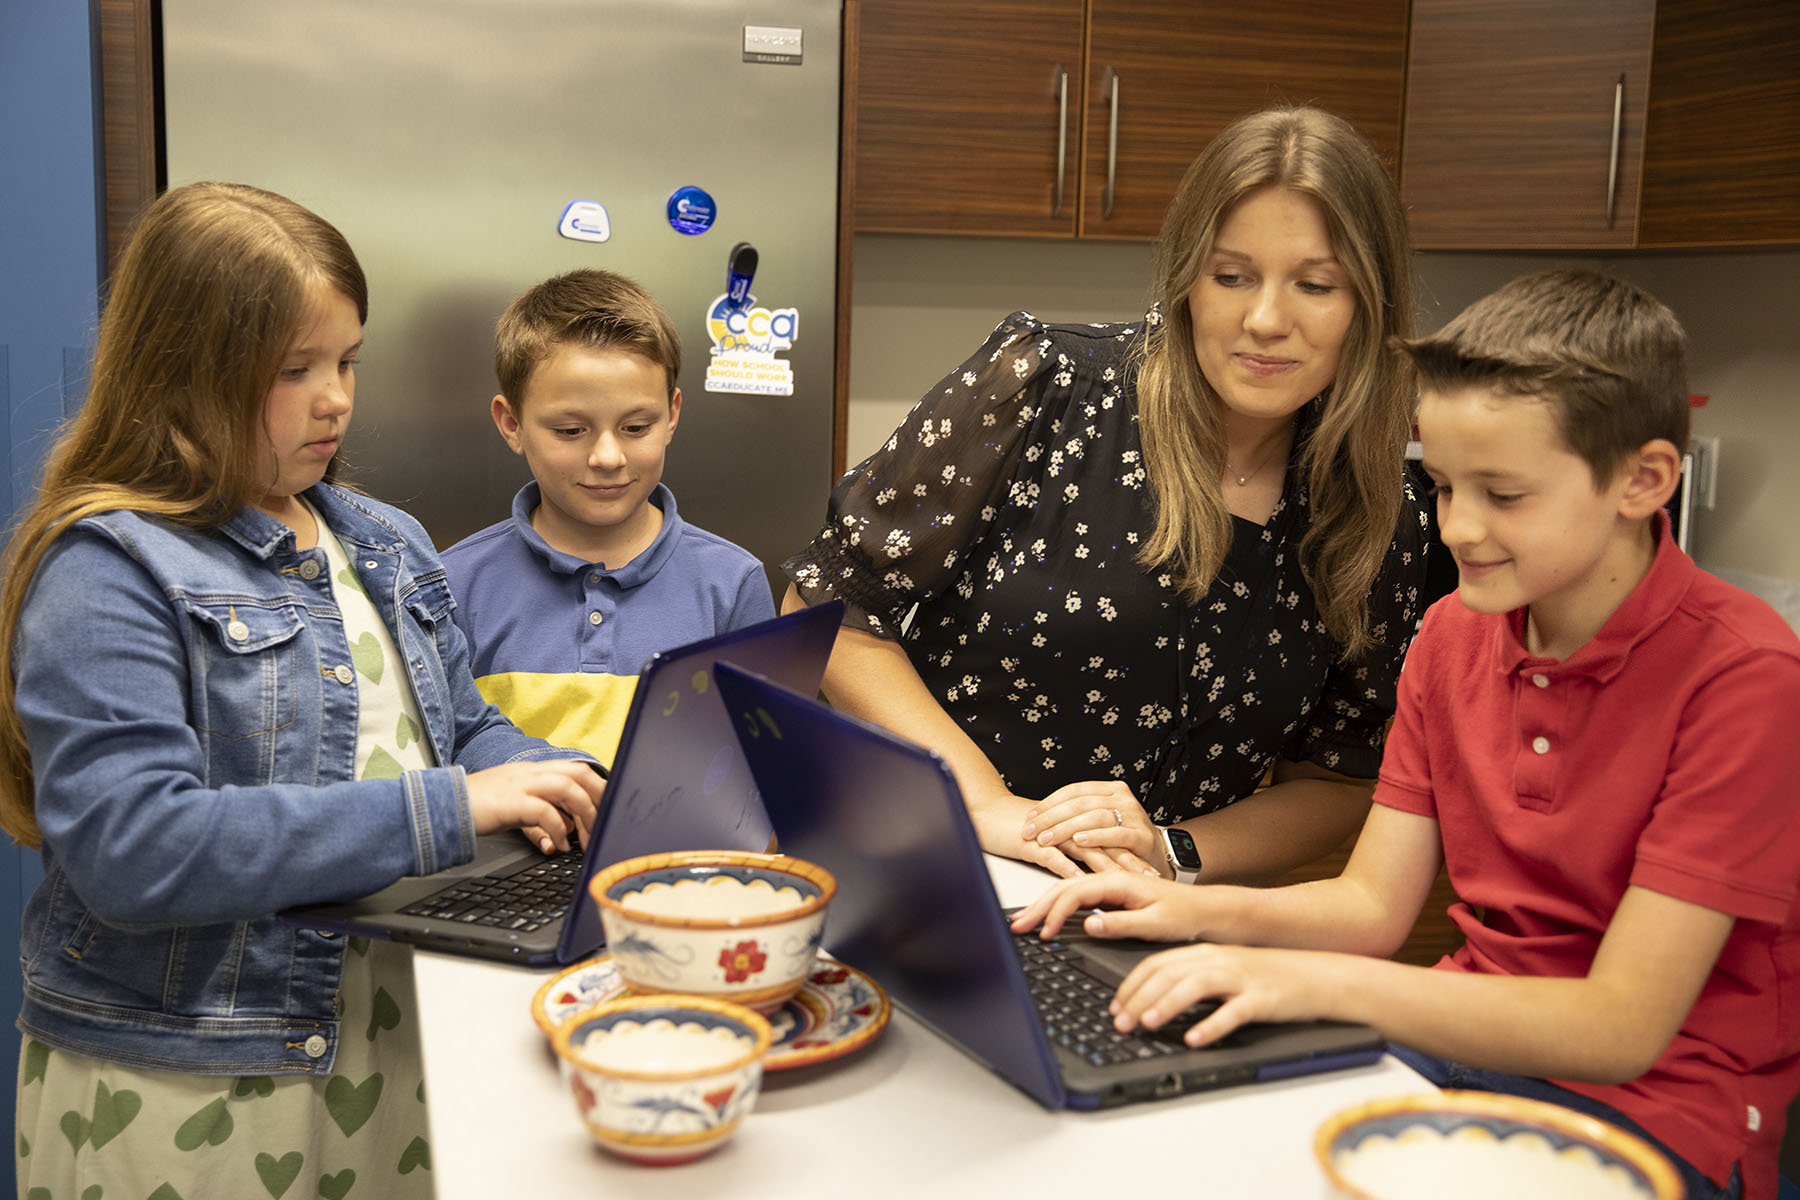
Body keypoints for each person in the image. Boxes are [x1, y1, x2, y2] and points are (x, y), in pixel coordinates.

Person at [1013, 269, 1800, 1200]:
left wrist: (1302, 984)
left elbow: (1618, 1027)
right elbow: (1371, 908)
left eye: (1503, 496)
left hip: (1657, 1115)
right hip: (1456, 1054)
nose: (1459, 529)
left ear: (1644, 479)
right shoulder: (1452, 635)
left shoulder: (1746, 679)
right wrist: (1186, 908)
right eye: (1444, 487)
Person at [0, 182, 607, 1198]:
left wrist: (553, 777)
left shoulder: (384, 541)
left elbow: (458, 728)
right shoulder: (108, 571)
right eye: (294, 370)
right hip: (191, 1081)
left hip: (390, 1047)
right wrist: (448, 811)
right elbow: (133, 847)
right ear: (182, 376)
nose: (336, 398)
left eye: (347, 360)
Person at [782, 106, 1427, 882]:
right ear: (1187, 275)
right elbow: (833, 608)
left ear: (1371, 304)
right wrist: (991, 807)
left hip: (1161, 922)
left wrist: (1169, 852)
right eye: (1231, 276)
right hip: (930, 861)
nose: (1265, 320)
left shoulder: (1389, 513)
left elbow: (1338, 775)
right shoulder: (1046, 387)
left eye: (1316, 285)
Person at [442, 268, 775, 770]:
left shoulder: (733, 585)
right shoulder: (451, 584)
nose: (607, 456)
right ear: (512, 425)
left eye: (636, 426)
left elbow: (758, 767)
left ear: (673, 414)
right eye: (571, 429)